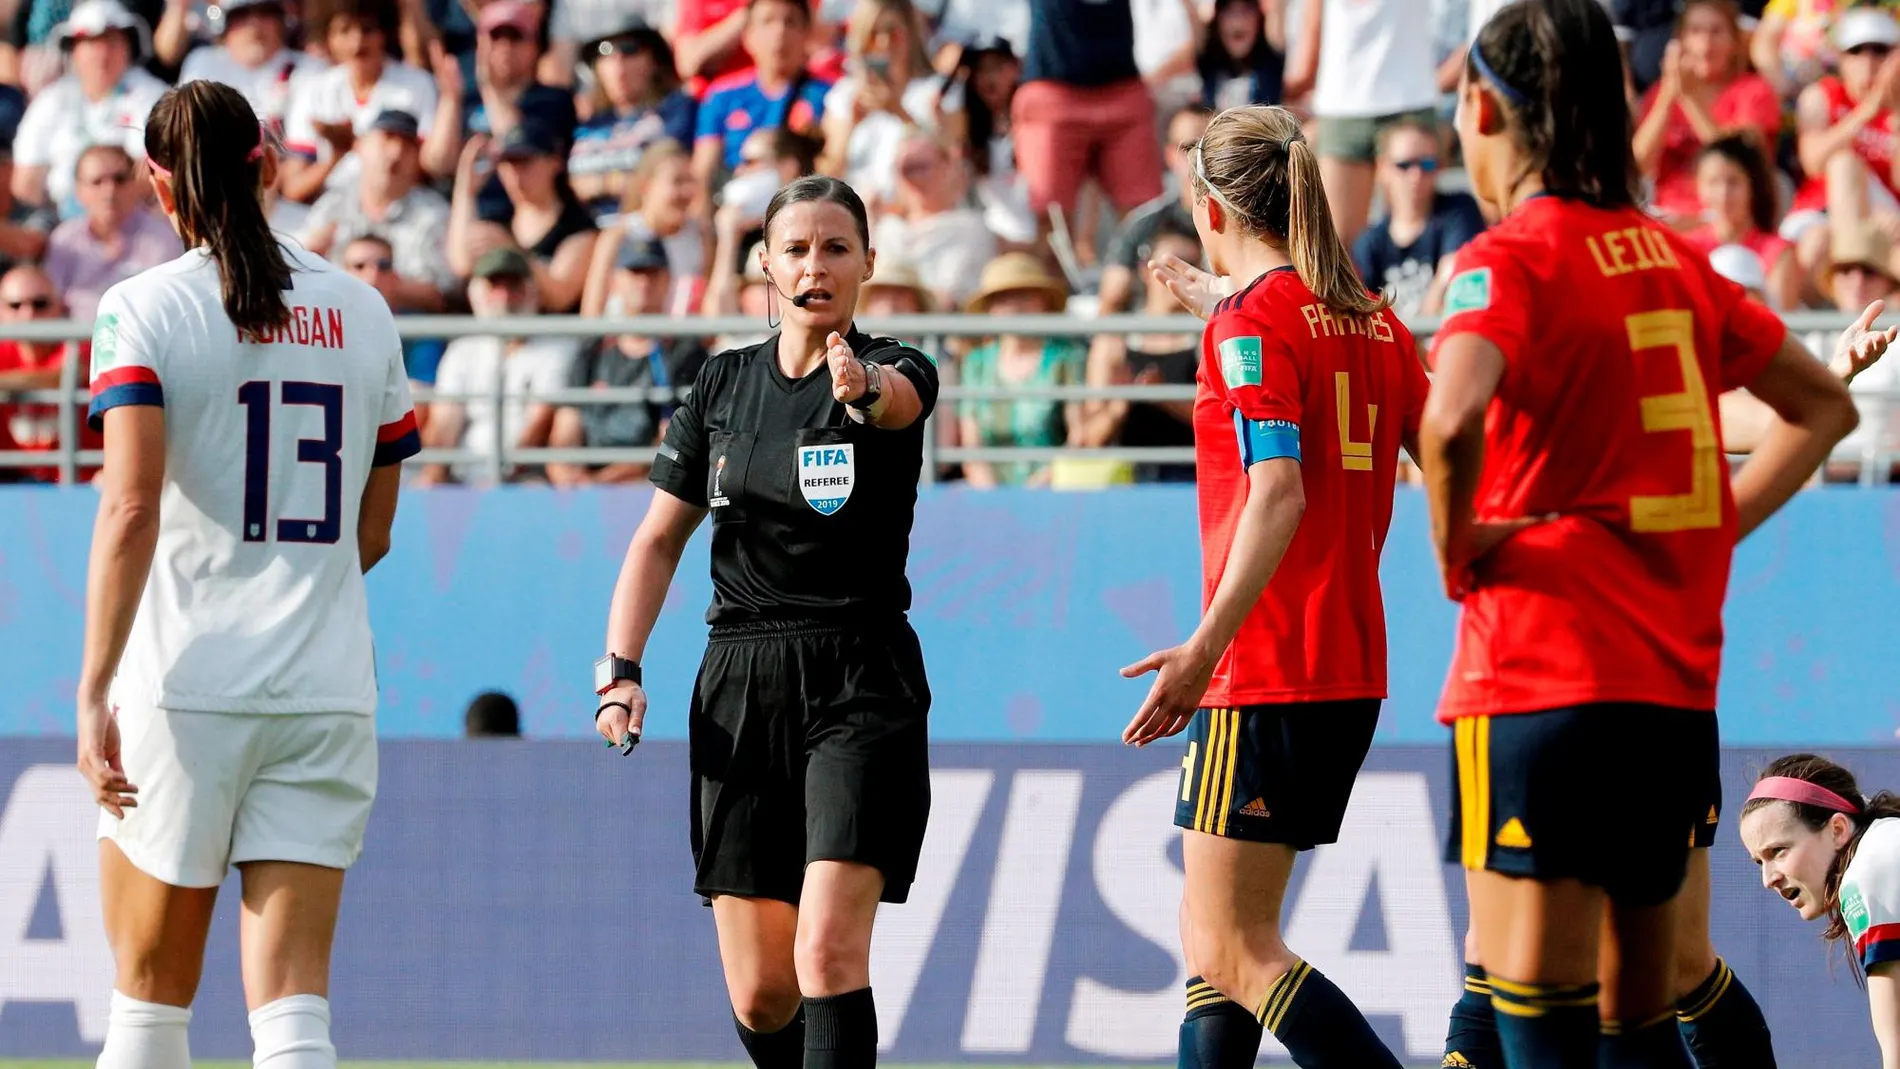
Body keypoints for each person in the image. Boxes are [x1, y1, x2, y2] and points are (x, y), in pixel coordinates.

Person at [1420, 2, 1864, 1067]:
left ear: (1484, 107)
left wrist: (1460, 545)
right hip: (1667, 693)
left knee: (1534, 1003)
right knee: (1642, 1008)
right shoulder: (1673, 257)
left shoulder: (1503, 256)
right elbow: (1825, 409)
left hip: (1536, 673)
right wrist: (1714, 530)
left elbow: (1447, 419)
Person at [75, 80, 417, 1069]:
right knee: (295, 1017)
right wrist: (291, 582)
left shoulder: (141, 308)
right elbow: (377, 529)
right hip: (324, 686)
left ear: (156, 184)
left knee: (147, 1007)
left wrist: (95, 683)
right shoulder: (362, 309)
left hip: (185, 685)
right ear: (266, 167)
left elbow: (130, 506)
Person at [594, 174, 937, 1069]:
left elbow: (896, 400)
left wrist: (862, 391)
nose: (815, 265)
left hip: (861, 676)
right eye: (796, 247)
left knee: (827, 949)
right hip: (740, 681)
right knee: (763, 990)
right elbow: (658, 540)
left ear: (867, 262)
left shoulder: (897, 364)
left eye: (836, 248)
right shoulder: (720, 383)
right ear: (765, 265)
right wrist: (620, 668)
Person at [1120, 102, 1424, 1069]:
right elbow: (1446, 455)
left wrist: (1202, 650)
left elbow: (1278, 488)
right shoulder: (1375, 319)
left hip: (1266, 663)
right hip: (1350, 664)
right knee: (1218, 939)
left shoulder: (1249, 326)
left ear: (1211, 208)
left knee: (1227, 945)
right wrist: (1222, 294)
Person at [1739, 755, 1900, 1069]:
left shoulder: (1868, 872)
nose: (1768, 878)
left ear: (1838, 829)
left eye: (1778, 851)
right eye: (1760, 861)